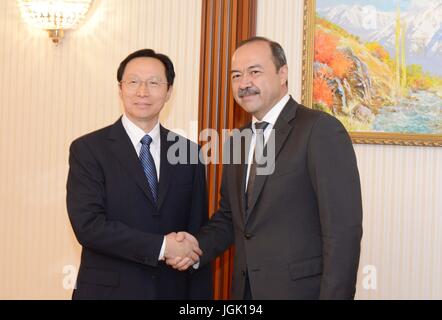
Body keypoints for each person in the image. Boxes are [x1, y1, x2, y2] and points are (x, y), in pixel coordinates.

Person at [169, 37, 363, 300]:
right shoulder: (238, 139)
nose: (244, 83)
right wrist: (192, 249)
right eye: (236, 75)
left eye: (255, 72)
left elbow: (343, 232)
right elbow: (230, 218)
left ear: (282, 74)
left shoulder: (319, 129)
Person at [66, 49, 212, 299]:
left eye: (154, 83)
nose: (143, 92)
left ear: (168, 92)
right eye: (133, 82)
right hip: (108, 293)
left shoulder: (189, 152)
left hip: (172, 291)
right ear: (120, 88)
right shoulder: (88, 149)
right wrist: (163, 247)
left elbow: (196, 231)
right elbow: (88, 226)